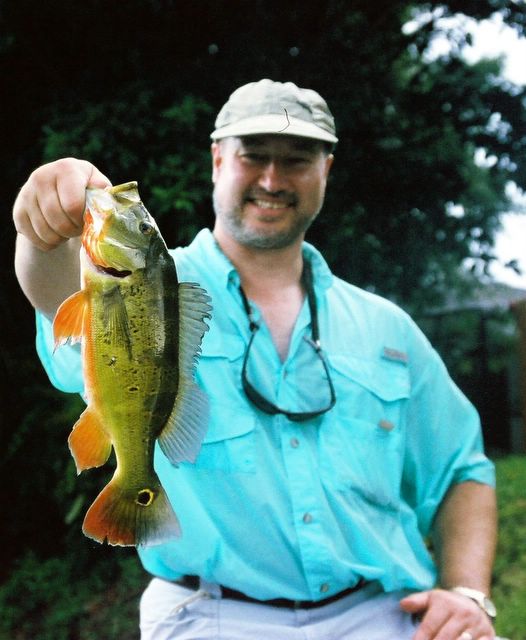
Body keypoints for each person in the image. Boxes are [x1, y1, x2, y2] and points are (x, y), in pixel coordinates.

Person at [13, 79, 500, 640]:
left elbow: (461, 468)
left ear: (327, 172)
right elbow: (54, 296)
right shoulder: (156, 283)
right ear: (218, 160)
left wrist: (467, 593)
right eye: (254, 156)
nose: (273, 179)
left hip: (385, 613)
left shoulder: (388, 328)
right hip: (212, 615)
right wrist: (42, 230)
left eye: (297, 160)